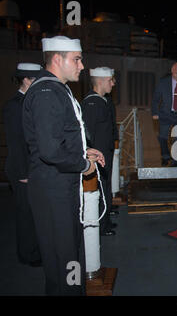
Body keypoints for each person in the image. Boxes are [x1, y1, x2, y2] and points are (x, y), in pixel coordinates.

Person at [22, 36, 105, 295]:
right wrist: (83, 164)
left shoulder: (56, 89)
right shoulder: (47, 92)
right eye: (77, 59)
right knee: (64, 259)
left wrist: (83, 149)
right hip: (53, 190)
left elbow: (58, 136)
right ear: (57, 59)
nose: (82, 66)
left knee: (67, 255)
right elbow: (49, 150)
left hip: (58, 187)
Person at [3, 63, 42, 267]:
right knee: (26, 215)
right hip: (22, 169)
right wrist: (23, 172)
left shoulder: (29, 102)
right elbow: (16, 142)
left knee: (34, 212)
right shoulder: (14, 106)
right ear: (26, 80)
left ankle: (35, 249)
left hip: (32, 168)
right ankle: (28, 254)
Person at [81, 67, 117, 236]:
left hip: (105, 155)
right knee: (100, 189)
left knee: (105, 186)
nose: (113, 83)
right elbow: (88, 135)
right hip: (97, 157)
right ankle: (101, 226)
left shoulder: (102, 101)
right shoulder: (91, 103)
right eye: (110, 80)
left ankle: (106, 221)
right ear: (101, 81)